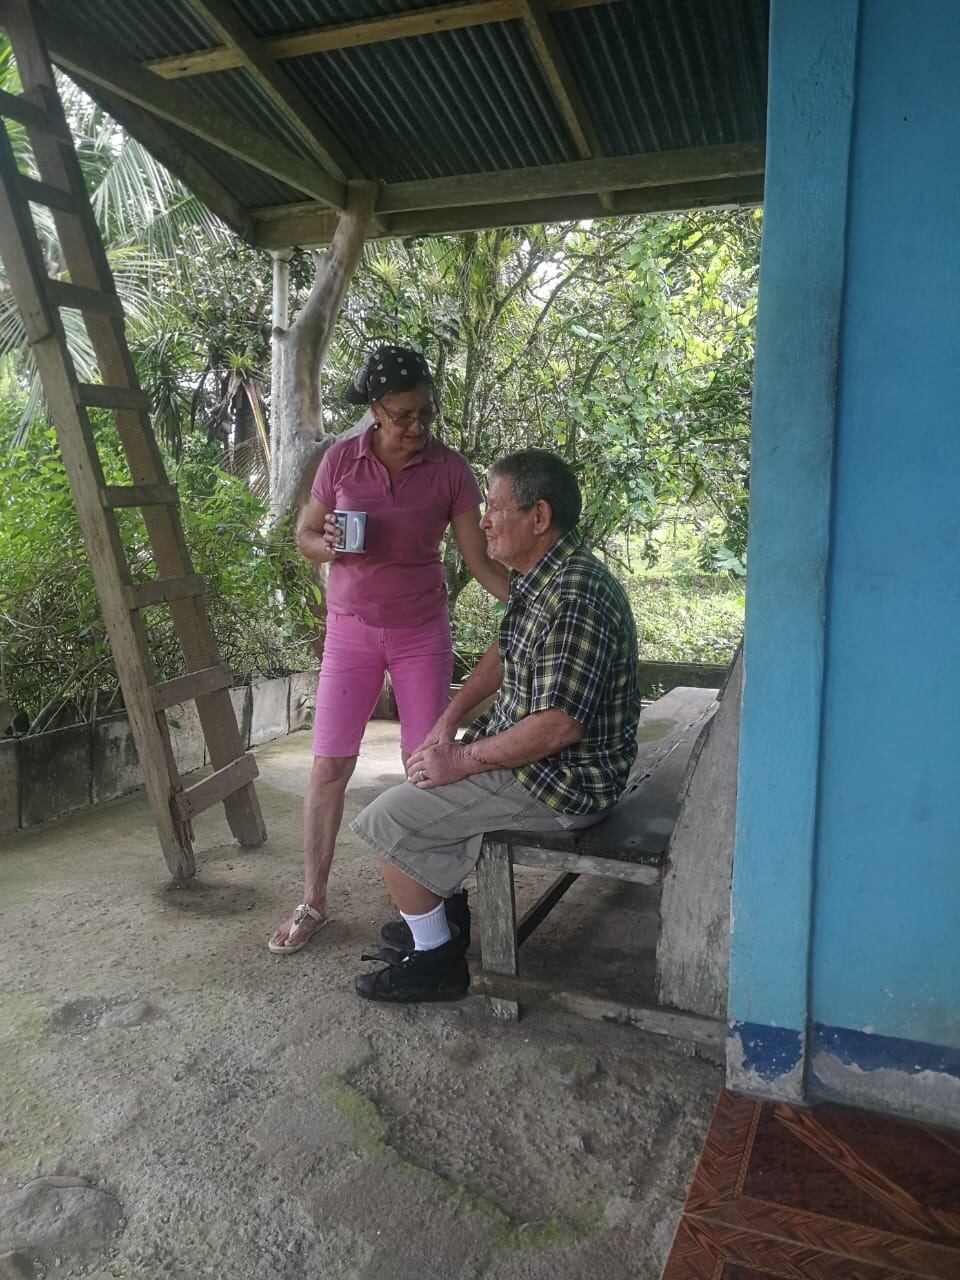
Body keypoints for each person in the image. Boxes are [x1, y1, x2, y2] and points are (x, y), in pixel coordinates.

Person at [350, 448, 642, 1002]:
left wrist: (459, 758)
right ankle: (444, 917)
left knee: (388, 821)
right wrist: (449, 721)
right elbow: (505, 650)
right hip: (543, 764)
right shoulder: (544, 575)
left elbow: (557, 727)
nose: (482, 519)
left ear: (538, 516)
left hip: (562, 782)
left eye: (494, 506)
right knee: (425, 778)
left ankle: (436, 959)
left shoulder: (576, 596)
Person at [269, 345, 508, 954]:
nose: (417, 426)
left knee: (429, 765)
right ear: (374, 410)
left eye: (425, 411)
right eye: (403, 414)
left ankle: (435, 908)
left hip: (421, 631)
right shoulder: (339, 462)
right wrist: (327, 546)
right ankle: (312, 900)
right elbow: (304, 534)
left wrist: (533, 598)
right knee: (329, 765)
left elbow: (476, 559)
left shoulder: (451, 470)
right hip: (349, 631)